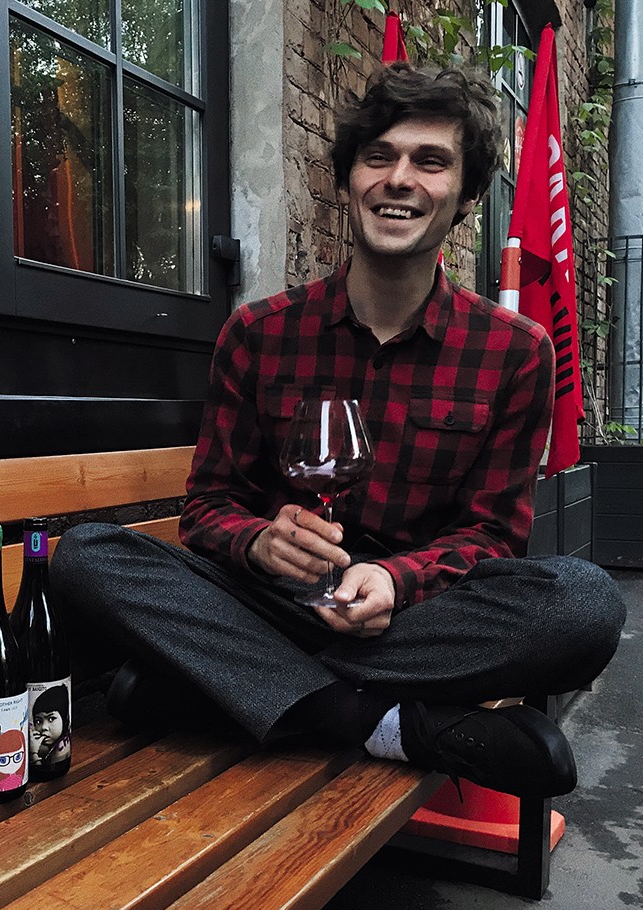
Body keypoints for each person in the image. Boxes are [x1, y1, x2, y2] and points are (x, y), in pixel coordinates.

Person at [50, 63, 626, 799]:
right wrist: (258, 542)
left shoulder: (515, 351)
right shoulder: (259, 333)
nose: (399, 179)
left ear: (468, 197)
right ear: (348, 182)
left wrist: (394, 579)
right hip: (274, 599)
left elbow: (492, 536)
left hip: (416, 616)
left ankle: (213, 686)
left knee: (584, 604)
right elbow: (208, 507)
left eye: (430, 161)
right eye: (378, 156)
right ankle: (381, 722)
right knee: (88, 556)